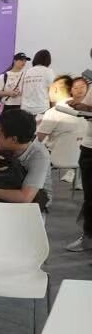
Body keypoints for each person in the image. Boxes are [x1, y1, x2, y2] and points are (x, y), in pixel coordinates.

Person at [37, 76, 86, 171]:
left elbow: (38, 140)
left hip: (57, 160)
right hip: (82, 159)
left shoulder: (53, 112)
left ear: (55, 89)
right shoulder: (85, 110)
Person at [66, 76, 92, 252]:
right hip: (89, 146)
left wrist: (84, 108)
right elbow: (87, 109)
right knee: (90, 198)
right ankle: (88, 237)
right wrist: (81, 107)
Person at [20, 49, 55, 116]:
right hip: (41, 108)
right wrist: (53, 109)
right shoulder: (48, 71)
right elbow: (53, 92)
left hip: (25, 109)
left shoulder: (27, 72)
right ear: (48, 60)